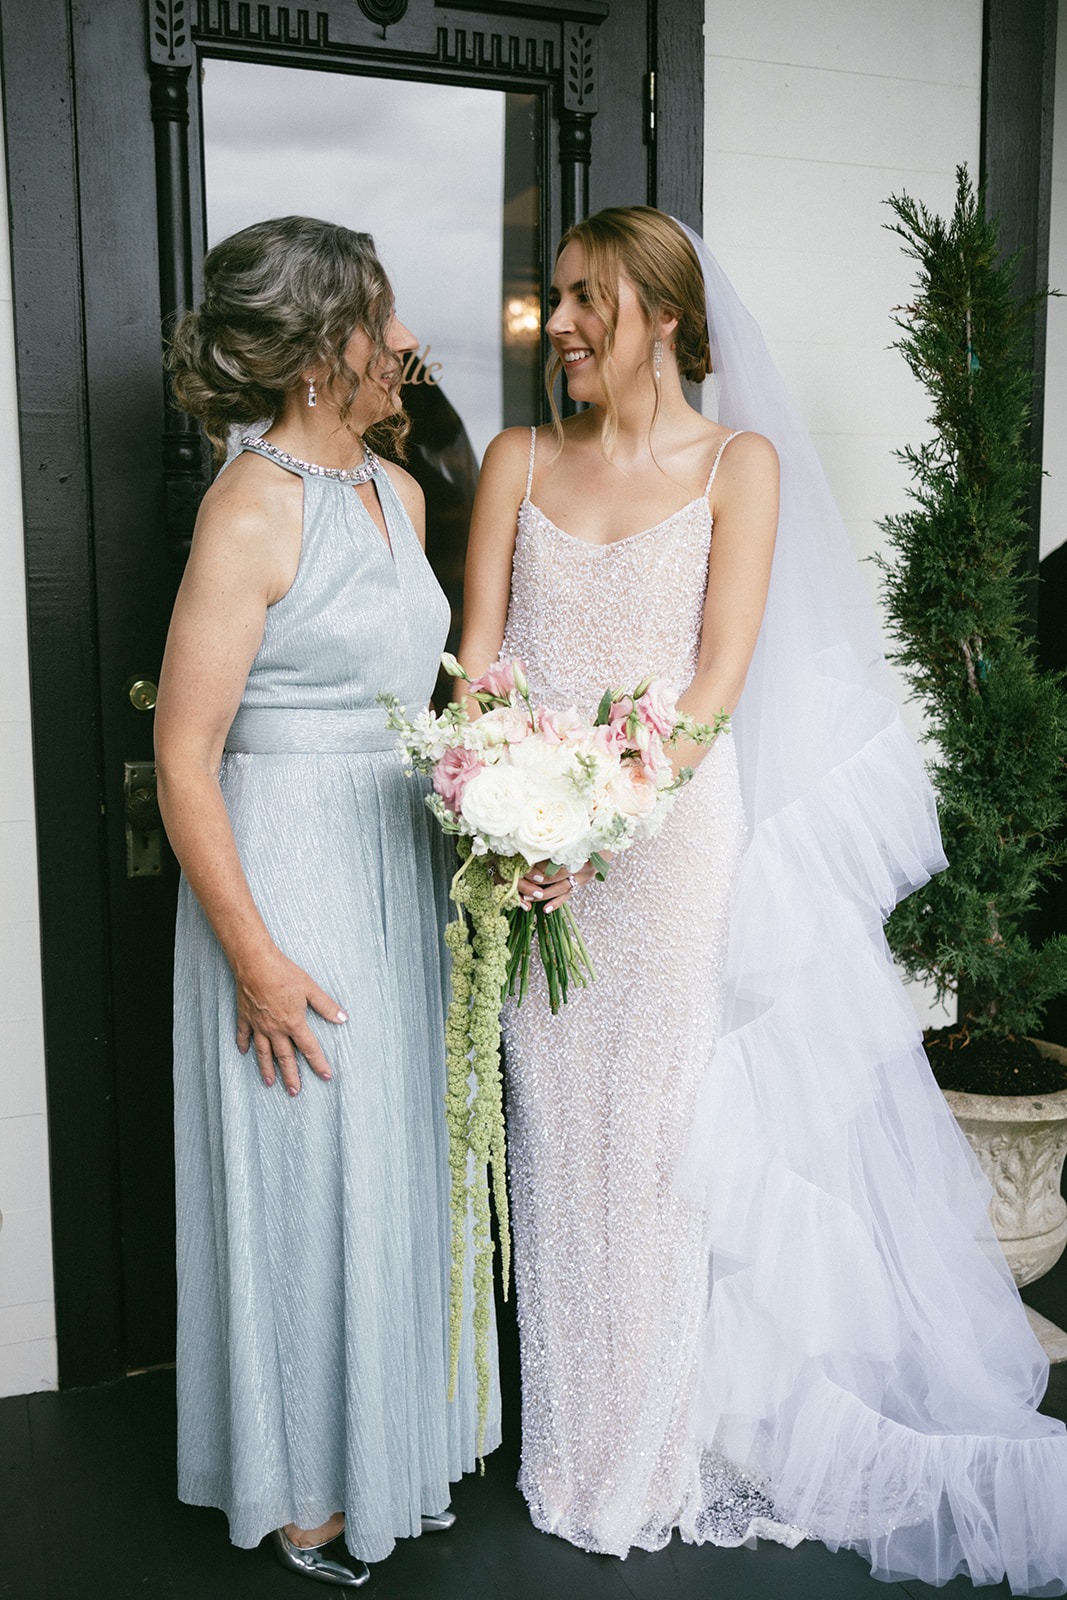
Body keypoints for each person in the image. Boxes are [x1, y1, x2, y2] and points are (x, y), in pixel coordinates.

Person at [457, 206, 1067, 1592]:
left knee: (664, 1149)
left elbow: (717, 678)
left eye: (585, 299)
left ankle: (666, 1449)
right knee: (560, 1139)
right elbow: (480, 661)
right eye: (555, 298)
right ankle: (572, 1445)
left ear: (664, 317)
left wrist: (599, 818)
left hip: (667, 856)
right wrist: (502, 800)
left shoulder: (741, 464)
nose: (556, 323)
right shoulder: (515, 461)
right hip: (537, 862)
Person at [155, 215, 498, 1590]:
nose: (405, 341)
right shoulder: (248, 509)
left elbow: (423, 690)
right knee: (305, 1170)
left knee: (397, 1160)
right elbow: (186, 757)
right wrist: (252, 957)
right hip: (283, 866)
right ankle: (304, 1483)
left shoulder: (397, 497)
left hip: (391, 856)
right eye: (382, 319)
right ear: (318, 353)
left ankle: (390, 1449)